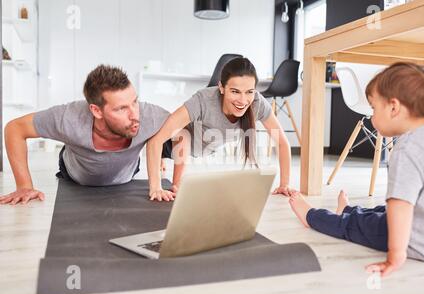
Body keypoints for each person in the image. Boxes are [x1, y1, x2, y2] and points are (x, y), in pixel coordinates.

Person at [289, 62, 424, 277]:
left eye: (374, 108)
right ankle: (348, 209)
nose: (372, 116)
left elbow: (401, 205)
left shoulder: (407, 149)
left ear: (393, 107)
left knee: (353, 225)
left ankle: (311, 215)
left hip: (419, 241)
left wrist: (396, 254)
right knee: (382, 211)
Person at [0, 65, 171, 205]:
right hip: (76, 174)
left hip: (126, 171)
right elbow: (14, 128)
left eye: (135, 102)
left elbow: (183, 129)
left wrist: (165, 163)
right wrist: (24, 186)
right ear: (96, 111)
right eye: (121, 108)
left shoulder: (149, 114)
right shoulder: (68, 117)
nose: (135, 115)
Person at [147, 57, 296, 201]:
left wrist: (284, 184)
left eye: (249, 91)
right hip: (172, 143)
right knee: (182, 133)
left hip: (203, 148)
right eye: (235, 91)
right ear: (221, 87)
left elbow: (282, 142)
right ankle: (175, 182)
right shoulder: (203, 100)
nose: (243, 101)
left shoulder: (258, 103)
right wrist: (156, 187)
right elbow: (156, 140)